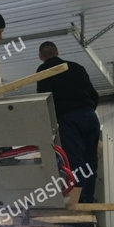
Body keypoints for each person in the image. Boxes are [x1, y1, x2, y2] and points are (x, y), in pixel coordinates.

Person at [35, 41, 100, 203]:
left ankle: (79, 200)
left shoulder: (44, 70)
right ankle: (88, 199)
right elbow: (94, 95)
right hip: (90, 116)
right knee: (90, 160)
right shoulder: (77, 67)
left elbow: (44, 100)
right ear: (57, 51)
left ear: (40, 56)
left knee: (75, 160)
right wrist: (87, 110)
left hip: (69, 119)